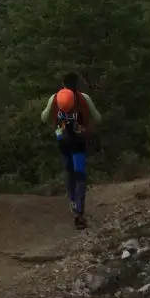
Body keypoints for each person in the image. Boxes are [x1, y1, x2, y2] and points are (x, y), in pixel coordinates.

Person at [40, 71, 102, 230]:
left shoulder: (55, 98)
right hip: (79, 141)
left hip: (63, 140)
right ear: (77, 84)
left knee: (68, 170)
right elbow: (98, 118)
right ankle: (79, 213)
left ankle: (72, 201)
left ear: (62, 84)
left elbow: (44, 118)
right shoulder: (84, 98)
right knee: (80, 174)